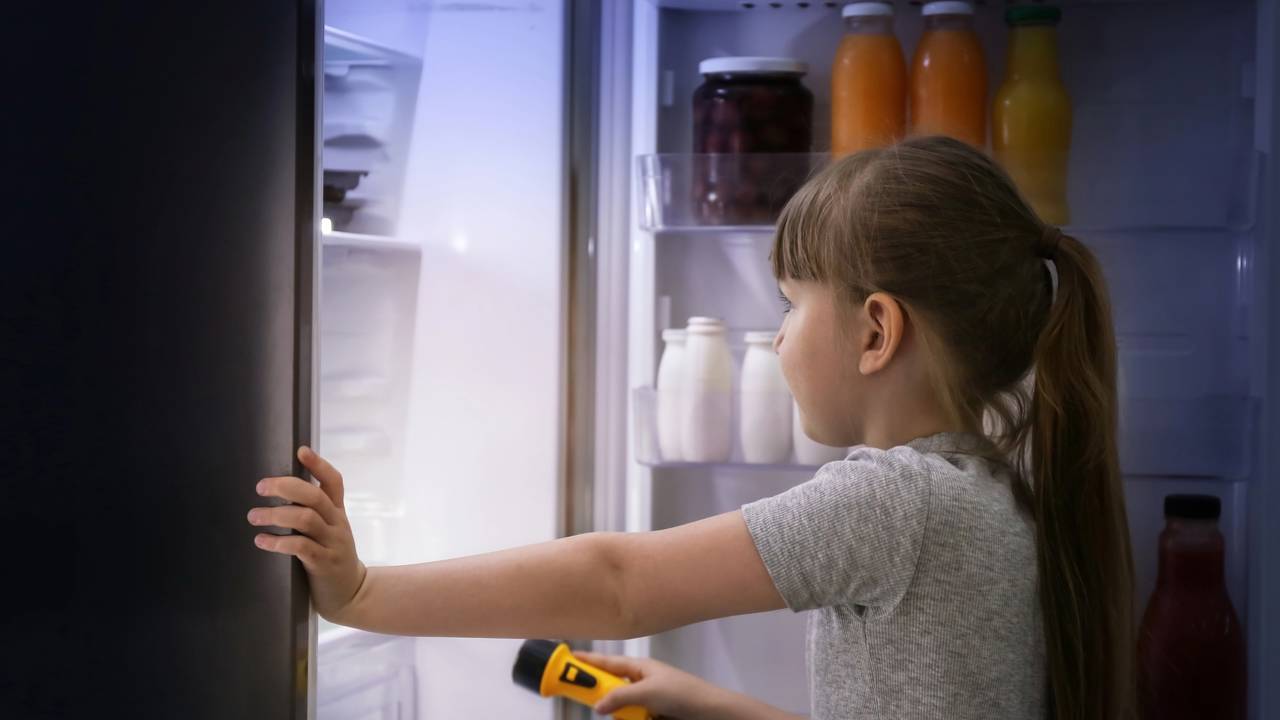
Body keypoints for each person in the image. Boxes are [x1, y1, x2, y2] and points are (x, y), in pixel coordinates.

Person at [247, 136, 1135, 719]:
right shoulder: (996, 491)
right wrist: (699, 700)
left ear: (875, 332)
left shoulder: (890, 500)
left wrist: (363, 592)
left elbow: (617, 583)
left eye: (788, 307)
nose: (779, 336)